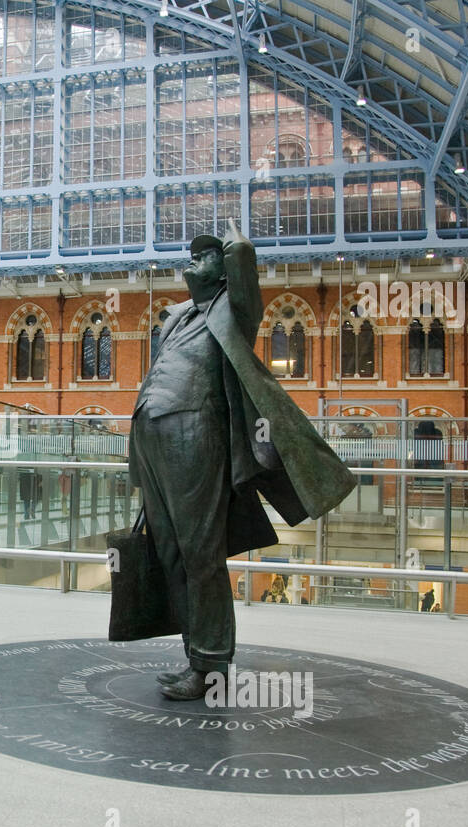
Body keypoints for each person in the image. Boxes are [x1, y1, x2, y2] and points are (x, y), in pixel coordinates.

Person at [128, 221, 356, 700]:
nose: (194, 258)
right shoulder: (176, 317)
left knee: (200, 552)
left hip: (196, 434)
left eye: (206, 254)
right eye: (196, 252)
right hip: (153, 440)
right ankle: (194, 653)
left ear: (224, 272)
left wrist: (235, 243)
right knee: (170, 550)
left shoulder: (234, 311)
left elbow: (244, 261)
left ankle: (211, 666)